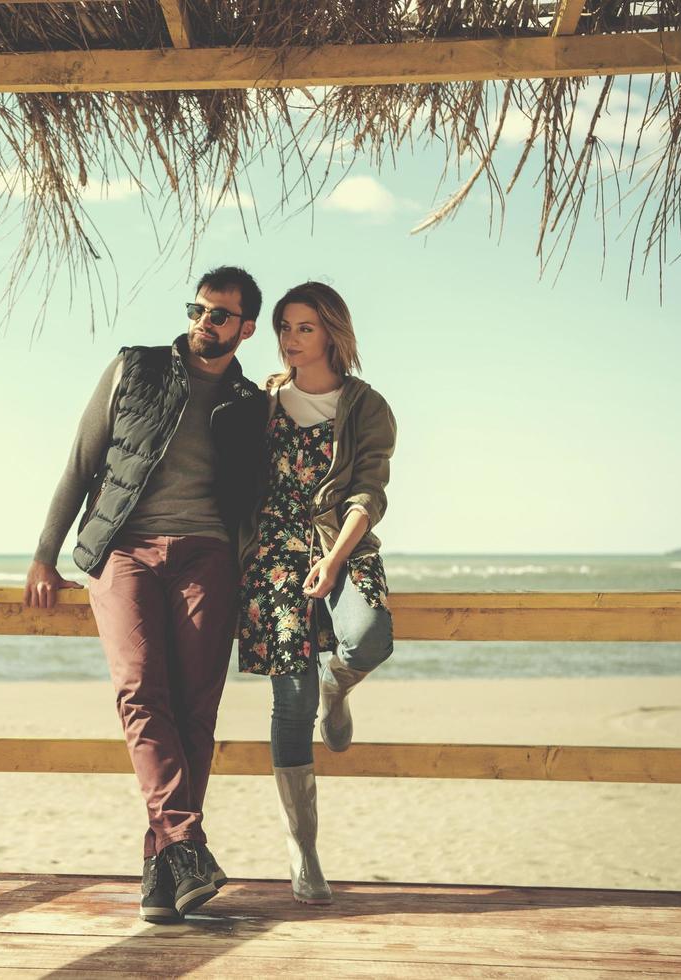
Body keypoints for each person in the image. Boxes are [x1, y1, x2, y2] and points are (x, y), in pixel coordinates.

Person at [25, 266, 268, 923]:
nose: (203, 322)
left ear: (245, 327)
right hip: (125, 549)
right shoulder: (135, 368)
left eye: (219, 315)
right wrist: (46, 554)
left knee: (195, 709)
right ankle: (187, 844)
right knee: (139, 689)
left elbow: (260, 495)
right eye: (198, 308)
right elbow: (81, 460)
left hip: (206, 554)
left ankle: (162, 876)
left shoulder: (249, 405)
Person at [236, 281, 397, 906]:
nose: (290, 339)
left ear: (331, 330)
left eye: (304, 327)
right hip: (270, 556)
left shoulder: (367, 405)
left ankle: (341, 684)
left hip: (342, 542)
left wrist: (333, 561)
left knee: (368, 638)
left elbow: (369, 495)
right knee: (291, 704)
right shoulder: (263, 401)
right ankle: (303, 852)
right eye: (284, 327)